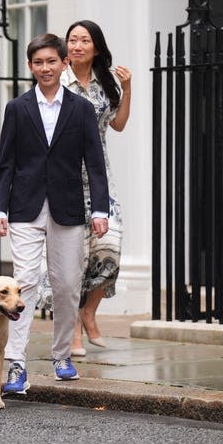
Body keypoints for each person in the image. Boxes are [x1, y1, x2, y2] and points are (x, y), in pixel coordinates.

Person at [0, 33, 109, 393]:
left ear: (64, 64)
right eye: (38, 62)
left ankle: (61, 355)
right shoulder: (17, 108)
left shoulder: (82, 109)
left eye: (51, 62)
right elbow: (5, 163)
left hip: (68, 208)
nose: (45, 68)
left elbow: (95, 164)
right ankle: (16, 365)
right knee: (21, 283)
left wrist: (101, 208)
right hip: (24, 207)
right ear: (30, 66)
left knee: (68, 287)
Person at [63, 20, 131, 356]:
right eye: (72, 40)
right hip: (66, 176)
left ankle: (89, 312)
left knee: (110, 246)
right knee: (76, 255)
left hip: (100, 176)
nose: (76, 45)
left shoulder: (106, 83)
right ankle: (75, 330)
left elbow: (117, 125)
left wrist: (127, 89)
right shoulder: (58, 81)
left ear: (96, 48)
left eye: (83, 40)